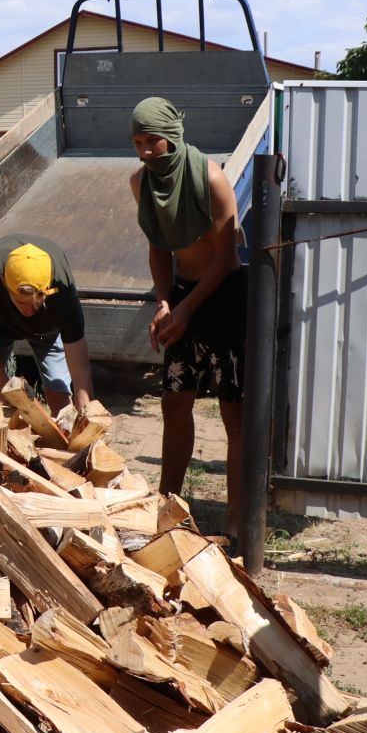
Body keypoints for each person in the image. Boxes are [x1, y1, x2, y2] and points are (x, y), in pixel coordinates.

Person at [127, 96, 246, 523]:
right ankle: (167, 509)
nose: (144, 152)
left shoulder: (210, 179)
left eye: (152, 142)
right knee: (175, 404)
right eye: (137, 142)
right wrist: (164, 302)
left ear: (172, 137)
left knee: (235, 413)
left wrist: (186, 309)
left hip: (225, 295)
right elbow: (159, 248)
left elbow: (227, 258)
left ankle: (236, 520)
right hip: (181, 296)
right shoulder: (140, 184)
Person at [0, 235, 97, 413]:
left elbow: (80, 371)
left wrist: (86, 410)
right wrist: (3, 384)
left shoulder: (62, 289)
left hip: (46, 329)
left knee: (59, 395)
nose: (29, 311)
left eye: (36, 303)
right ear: (4, 281)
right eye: (22, 303)